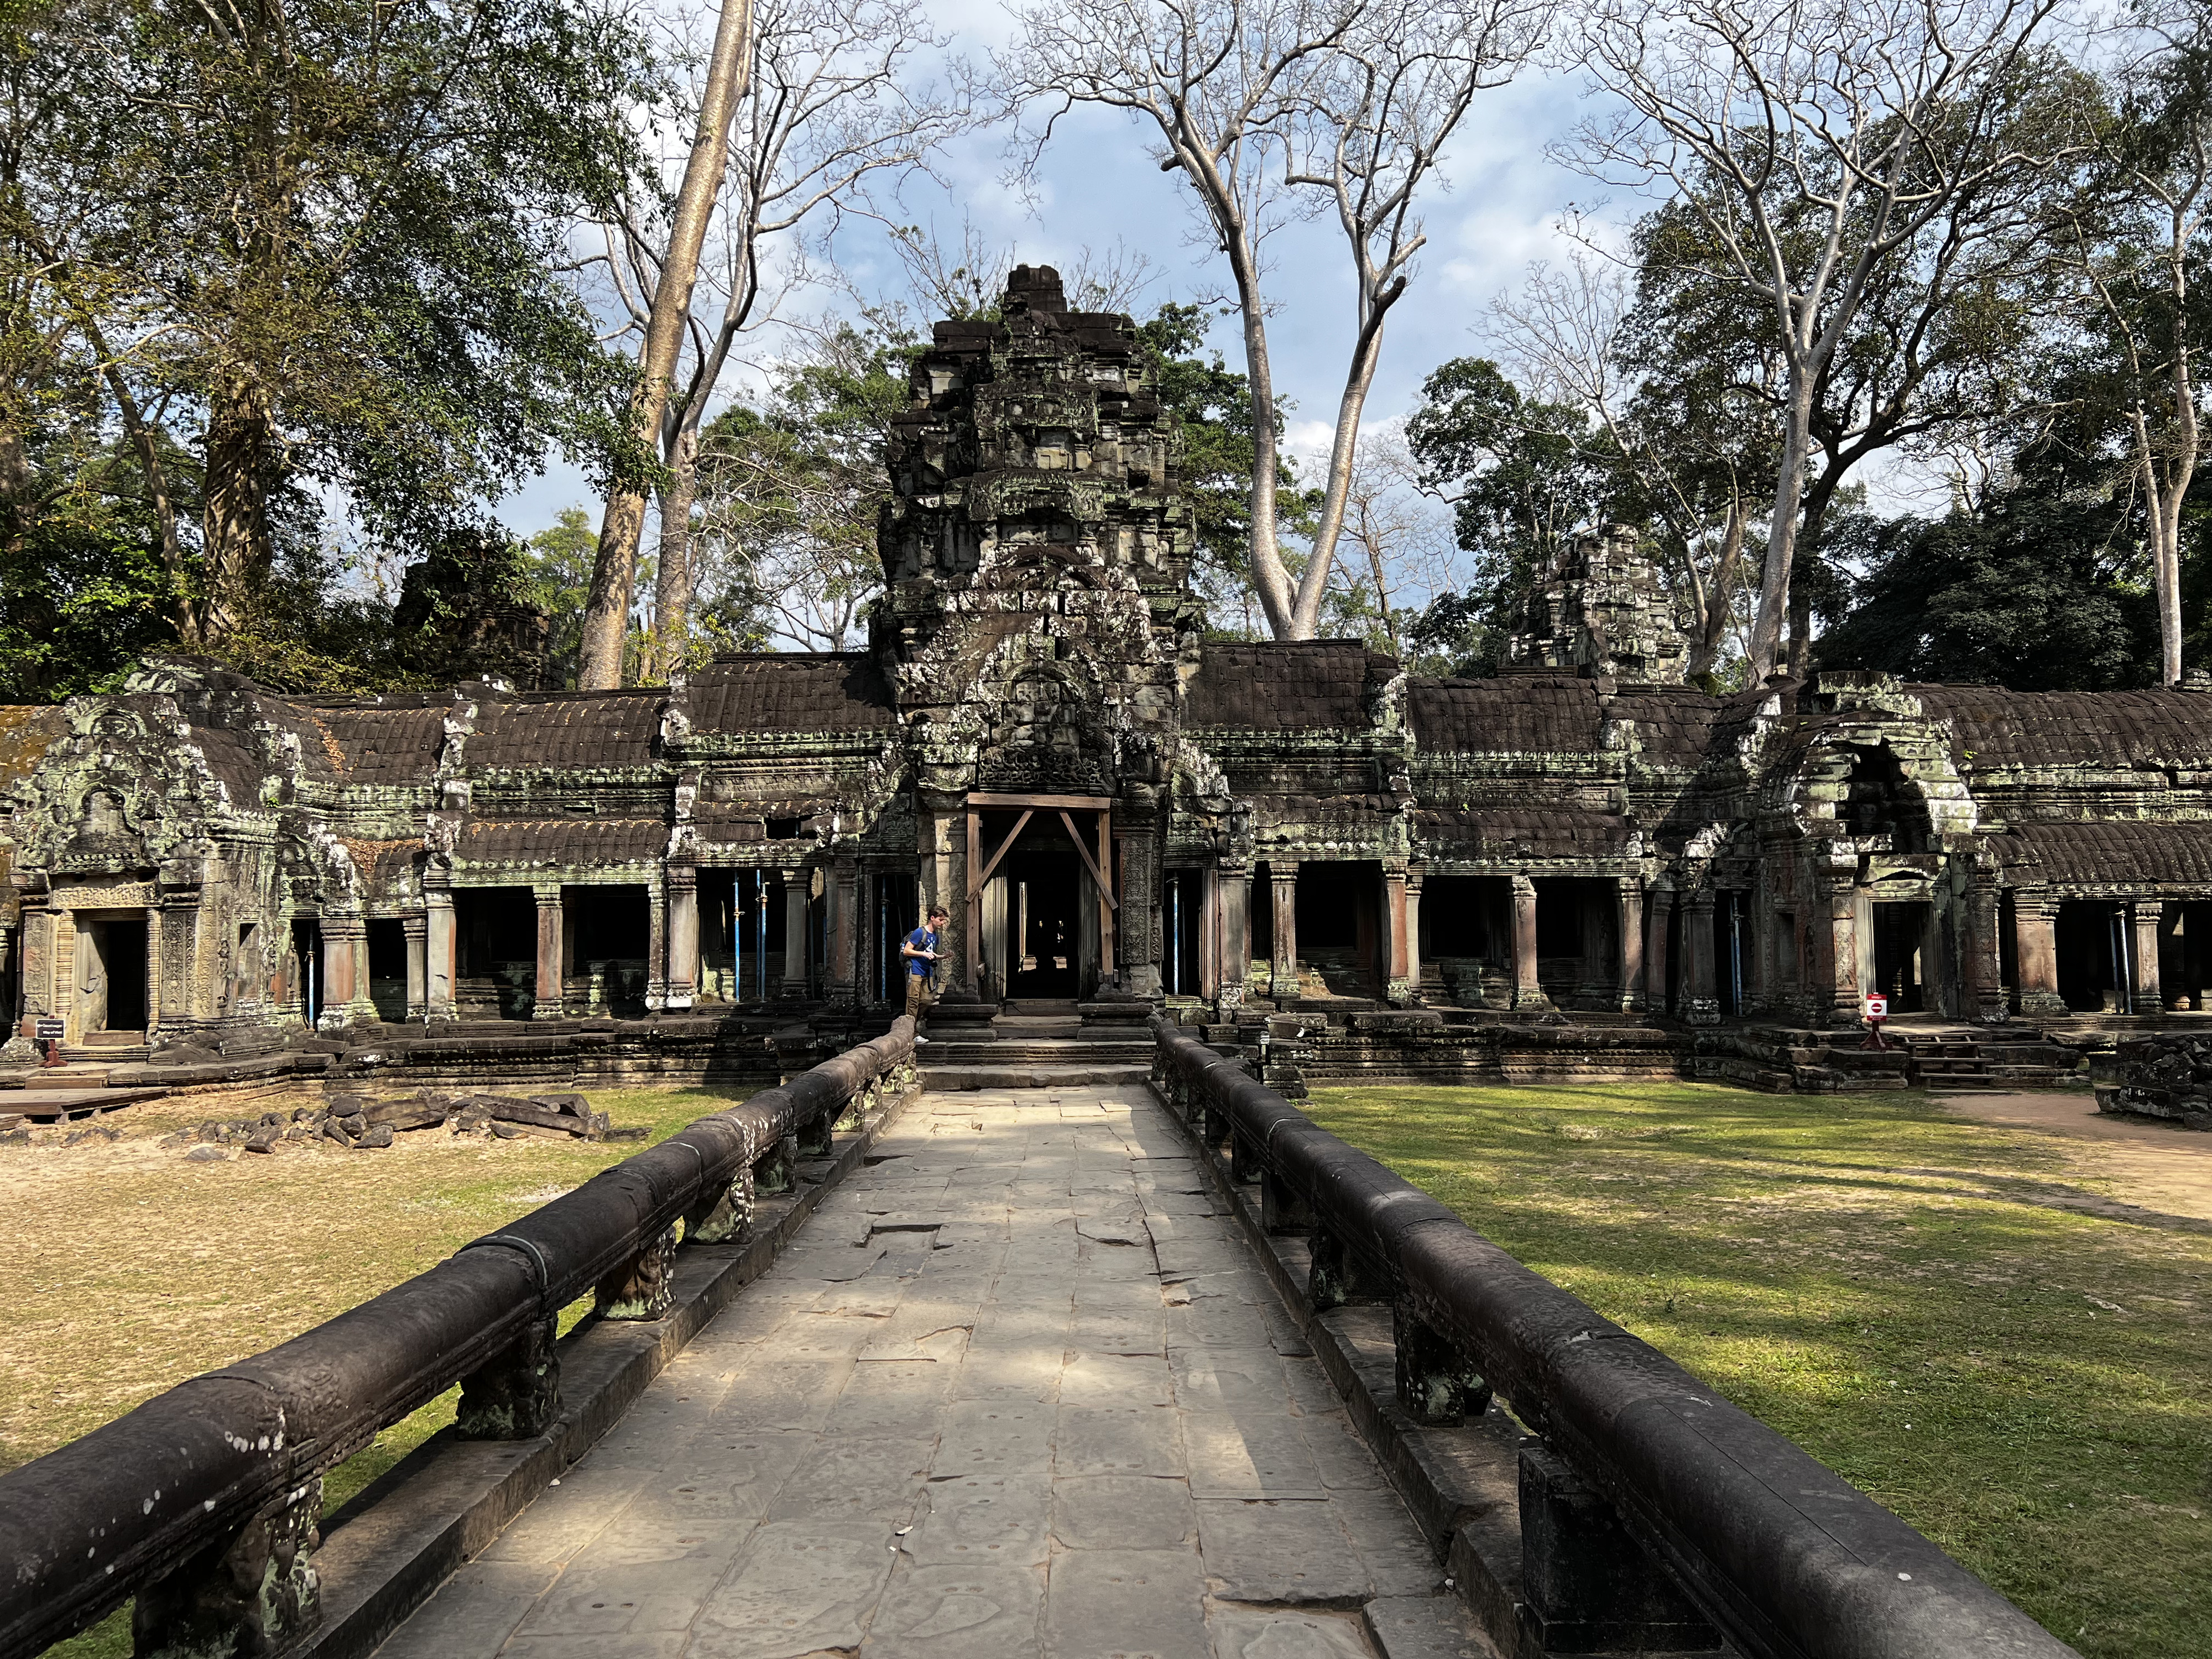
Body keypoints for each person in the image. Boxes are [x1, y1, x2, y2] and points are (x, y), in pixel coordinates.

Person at [901, 906, 948, 1040]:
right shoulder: (919, 933)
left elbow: (931, 954)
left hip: (927, 972)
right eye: (941, 920)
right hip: (914, 970)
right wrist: (923, 954)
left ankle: (911, 1024)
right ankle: (911, 1033)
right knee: (913, 1001)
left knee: (927, 1000)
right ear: (932, 918)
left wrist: (943, 957)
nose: (942, 923)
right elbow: (907, 951)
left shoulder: (936, 936)